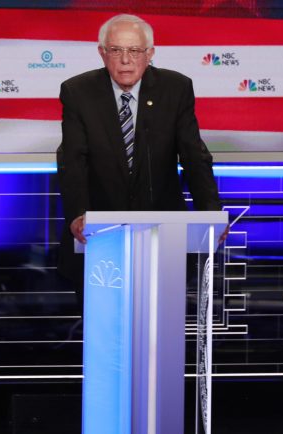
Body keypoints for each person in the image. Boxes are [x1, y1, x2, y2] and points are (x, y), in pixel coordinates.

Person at [56, 14, 225, 300]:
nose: (125, 60)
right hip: (100, 230)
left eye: (134, 51)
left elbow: (194, 155)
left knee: (161, 325)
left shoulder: (175, 88)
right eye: (116, 50)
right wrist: (78, 213)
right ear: (102, 53)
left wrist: (210, 211)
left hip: (163, 230)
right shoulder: (77, 92)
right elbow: (73, 160)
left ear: (150, 54)